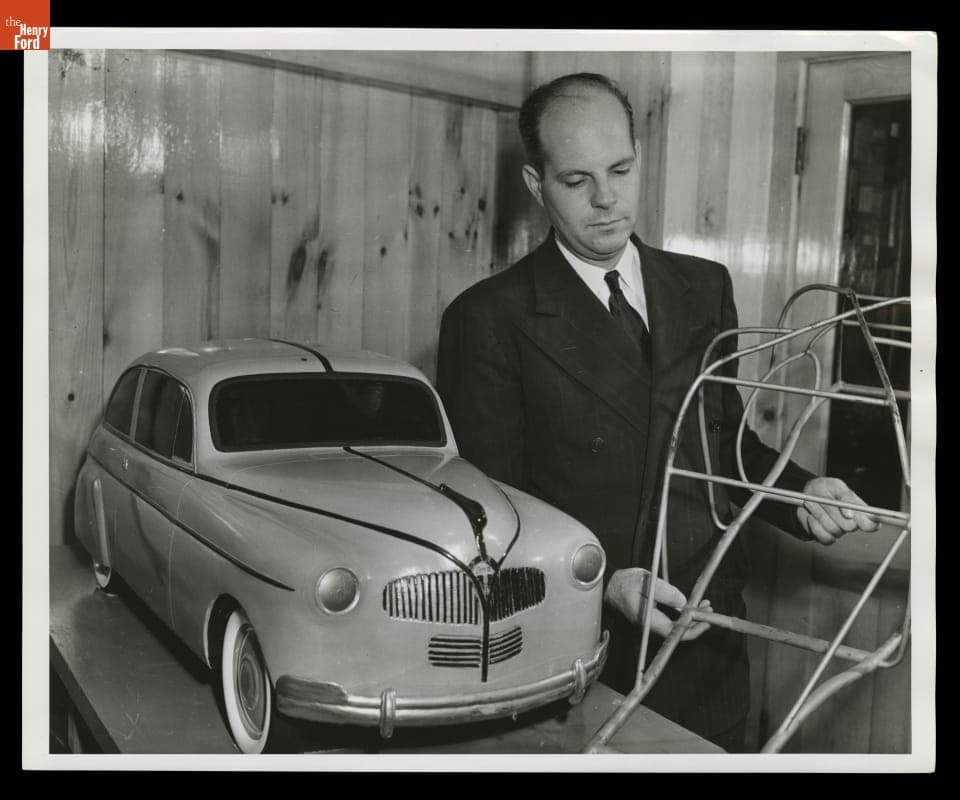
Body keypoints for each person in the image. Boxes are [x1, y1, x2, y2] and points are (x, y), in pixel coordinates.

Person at [435, 72, 878, 752]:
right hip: (582, 655)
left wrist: (801, 493)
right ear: (536, 185)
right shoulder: (487, 319)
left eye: (621, 169)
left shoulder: (703, 287)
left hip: (713, 641)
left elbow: (725, 448)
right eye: (577, 180)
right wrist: (605, 580)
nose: (607, 200)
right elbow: (493, 517)